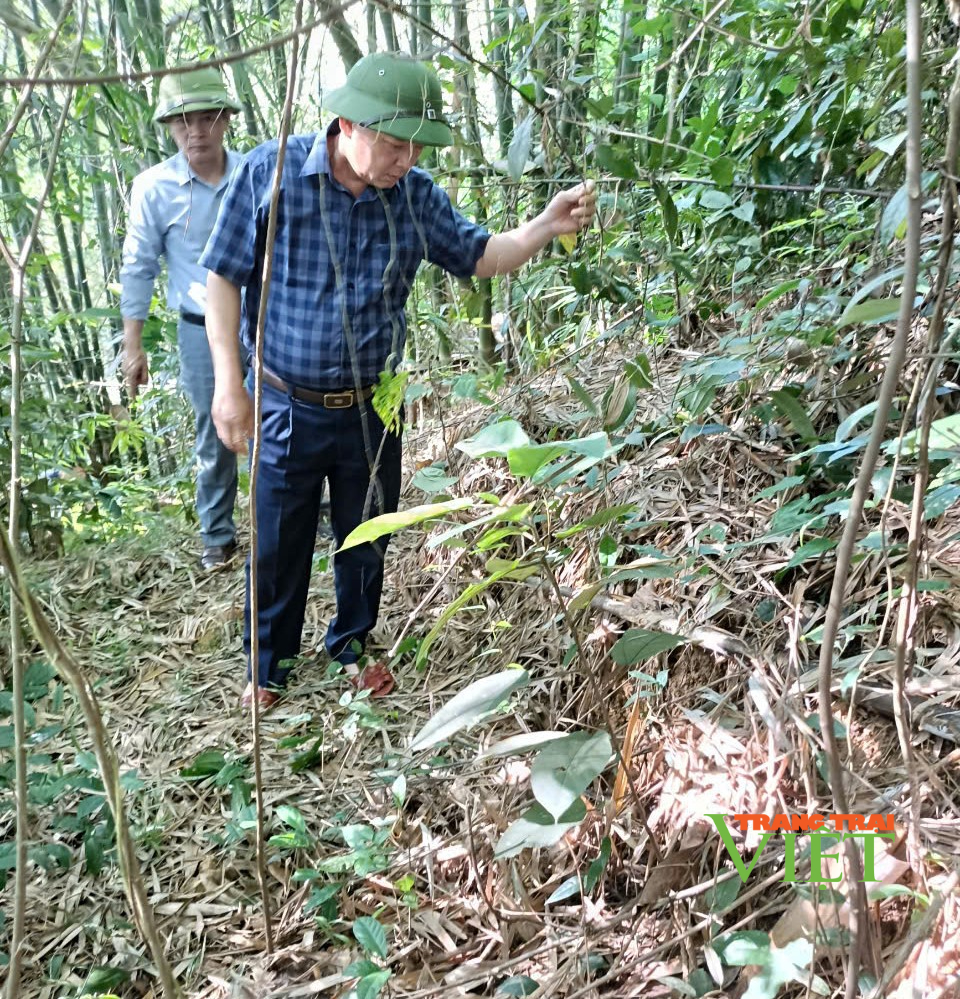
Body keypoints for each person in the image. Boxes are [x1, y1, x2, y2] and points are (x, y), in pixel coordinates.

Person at [200, 52, 596, 710]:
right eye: (392, 143)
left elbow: (482, 255)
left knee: (368, 531)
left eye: (416, 145)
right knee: (278, 537)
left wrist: (544, 226)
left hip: (374, 405)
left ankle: (351, 647)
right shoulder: (271, 175)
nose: (405, 159)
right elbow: (222, 275)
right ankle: (267, 666)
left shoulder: (414, 197)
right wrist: (228, 383)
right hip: (286, 398)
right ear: (346, 124)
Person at [120, 66, 245, 570]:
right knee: (214, 429)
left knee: (282, 418)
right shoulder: (154, 187)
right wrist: (132, 345)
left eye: (206, 118)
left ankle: (304, 511)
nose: (195, 130)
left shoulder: (254, 172)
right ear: (170, 128)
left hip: (263, 320)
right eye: (182, 121)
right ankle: (218, 532)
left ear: (226, 120)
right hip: (198, 329)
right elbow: (138, 265)